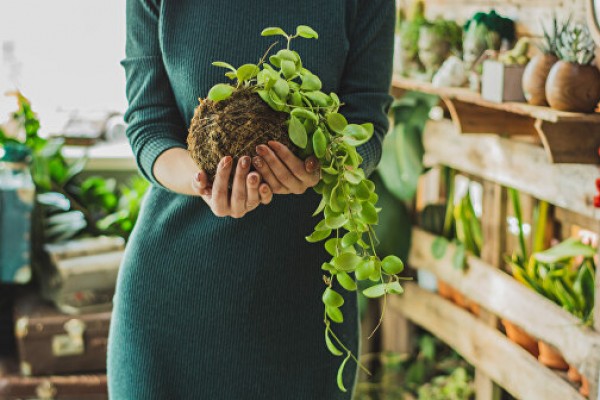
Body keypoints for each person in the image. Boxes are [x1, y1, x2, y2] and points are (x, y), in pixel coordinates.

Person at [107, 0, 394, 398]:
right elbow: (148, 124)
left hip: (299, 306)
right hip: (173, 302)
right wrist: (205, 183)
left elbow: (367, 125)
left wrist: (319, 167)